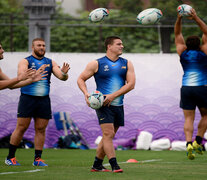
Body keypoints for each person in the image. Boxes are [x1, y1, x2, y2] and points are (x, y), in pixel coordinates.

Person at [5, 38, 70, 166]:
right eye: (39, 45)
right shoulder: (25, 61)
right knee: (21, 128)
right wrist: (33, 75)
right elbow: (21, 75)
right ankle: (10, 157)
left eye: (43, 46)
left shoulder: (50, 62)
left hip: (44, 100)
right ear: (32, 47)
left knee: (41, 129)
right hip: (27, 99)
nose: (41, 47)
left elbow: (62, 77)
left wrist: (64, 73)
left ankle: (37, 159)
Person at [77, 36, 136, 172]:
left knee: (107, 136)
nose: (122, 46)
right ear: (109, 46)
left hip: (118, 105)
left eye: (122, 44)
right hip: (103, 105)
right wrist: (86, 93)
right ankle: (114, 165)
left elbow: (131, 85)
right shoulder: (96, 63)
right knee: (108, 134)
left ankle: (97, 165)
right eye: (119, 44)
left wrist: (113, 96)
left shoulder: (127, 63)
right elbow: (80, 79)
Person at [174, 8, 207, 160]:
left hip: (186, 88)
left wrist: (179, 18)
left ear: (186, 44)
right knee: (206, 115)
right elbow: (206, 32)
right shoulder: (204, 51)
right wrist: (195, 18)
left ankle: (188, 144)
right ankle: (198, 141)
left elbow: (177, 34)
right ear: (200, 43)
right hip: (202, 88)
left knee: (189, 119)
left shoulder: (182, 51)